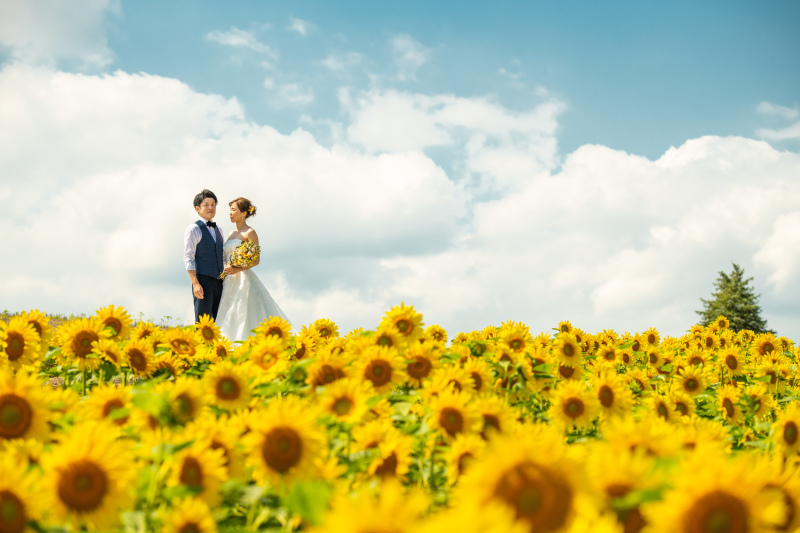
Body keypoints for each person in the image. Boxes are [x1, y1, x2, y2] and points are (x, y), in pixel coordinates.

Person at [216, 197, 289, 341]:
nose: (230, 213)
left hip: (243, 280)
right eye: (229, 210)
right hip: (227, 279)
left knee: (242, 312)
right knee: (227, 312)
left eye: (233, 210)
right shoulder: (230, 234)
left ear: (243, 213)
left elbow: (256, 260)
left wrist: (237, 269)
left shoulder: (250, 233)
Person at [184, 189, 225, 322]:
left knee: (219, 322)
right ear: (197, 208)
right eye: (206, 204)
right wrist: (195, 283)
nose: (210, 207)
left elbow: (222, 256)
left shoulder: (219, 229)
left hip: (220, 282)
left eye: (213, 204)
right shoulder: (194, 229)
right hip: (203, 281)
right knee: (202, 322)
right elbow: (188, 257)